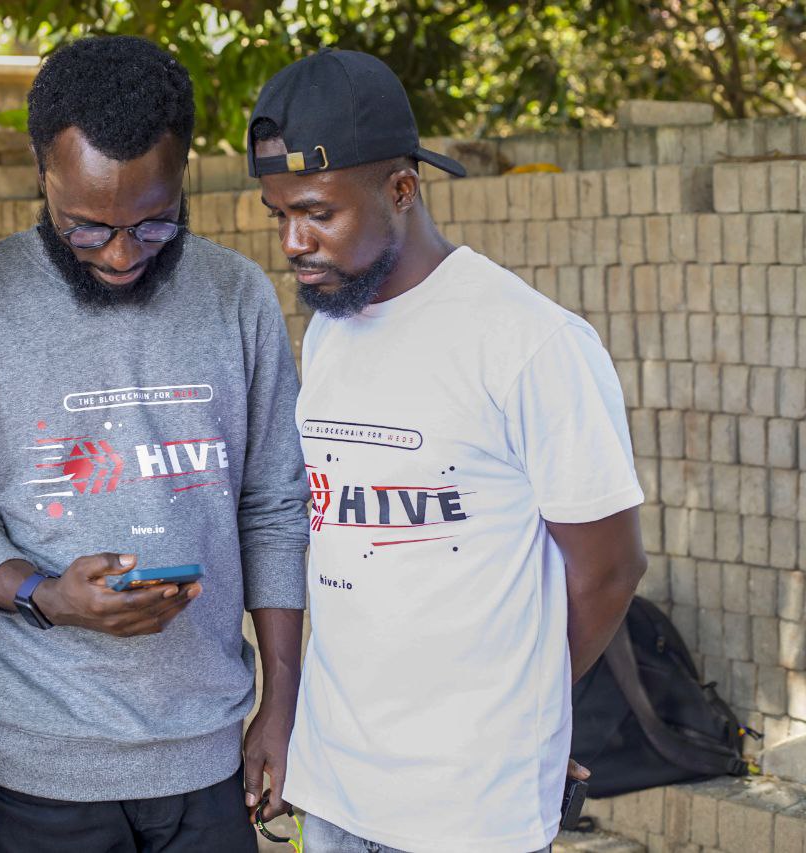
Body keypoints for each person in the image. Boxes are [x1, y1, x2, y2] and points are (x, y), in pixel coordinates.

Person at [0, 35, 309, 852]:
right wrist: (45, 594)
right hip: (34, 760)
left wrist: (282, 703)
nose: (122, 254)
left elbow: (273, 503)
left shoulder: (239, 298)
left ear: (185, 171)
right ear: (42, 173)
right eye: (87, 229)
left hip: (208, 749)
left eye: (155, 223)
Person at [249, 50, 648, 852]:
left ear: (402, 189)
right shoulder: (329, 330)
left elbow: (609, 568)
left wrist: (529, 706)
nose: (294, 241)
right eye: (278, 214)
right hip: (335, 787)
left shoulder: (528, 342)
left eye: (319, 212)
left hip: (468, 804)